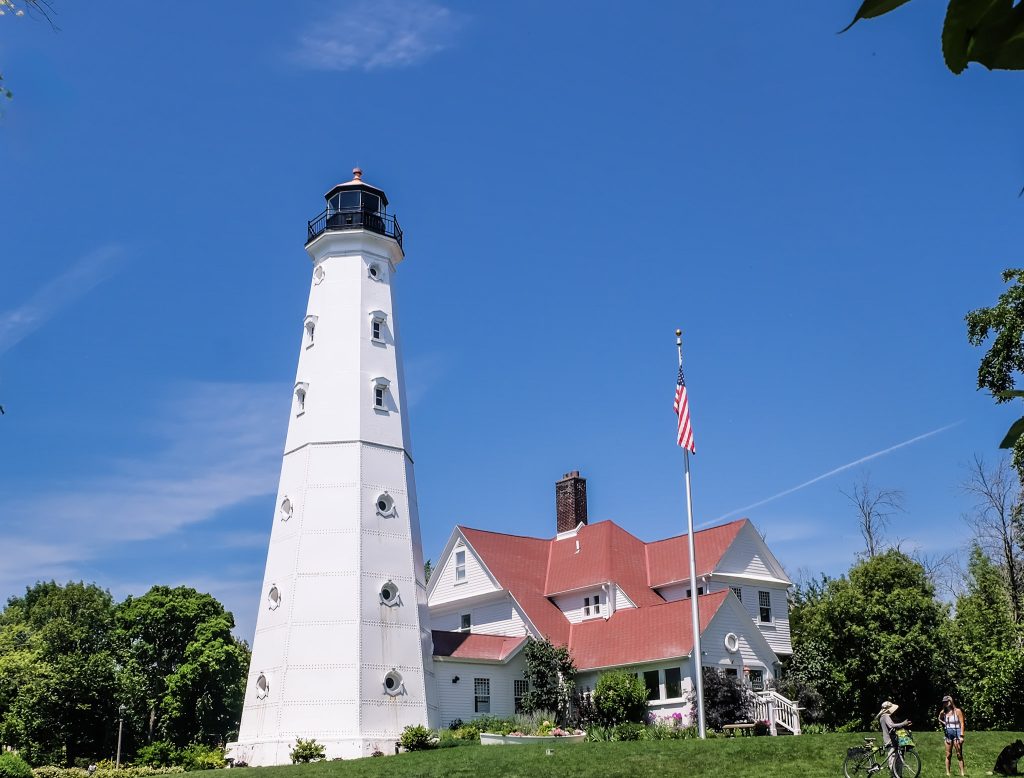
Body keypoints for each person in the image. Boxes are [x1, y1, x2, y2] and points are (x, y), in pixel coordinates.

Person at [878, 700, 912, 776]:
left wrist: (904, 725)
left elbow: (893, 727)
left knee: (898, 760)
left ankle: (897, 775)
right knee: (893, 761)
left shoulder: (885, 717)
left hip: (893, 742)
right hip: (890, 742)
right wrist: (903, 723)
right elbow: (891, 726)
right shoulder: (885, 716)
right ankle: (895, 775)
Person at [938, 694, 966, 777]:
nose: (945, 703)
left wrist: (961, 735)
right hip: (948, 733)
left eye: (947, 702)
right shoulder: (944, 712)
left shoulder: (957, 711)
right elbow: (939, 718)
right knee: (948, 754)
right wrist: (943, 721)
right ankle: (948, 773)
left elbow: (962, 723)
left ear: (950, 701)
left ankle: (962, 773)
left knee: (959, 754)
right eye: (944, 702)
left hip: (957, 732)